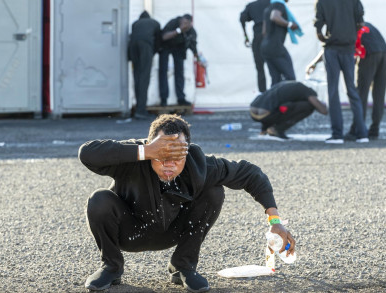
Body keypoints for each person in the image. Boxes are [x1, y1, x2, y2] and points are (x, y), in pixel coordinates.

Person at [79, 114, 295, 292]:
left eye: (177, 156)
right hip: (129, 231)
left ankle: (183, 266)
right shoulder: (135, 155)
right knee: (99, 199)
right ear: (150, 147)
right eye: (162, 155)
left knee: (214, 191)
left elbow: (251, 174)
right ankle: (111, 266)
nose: (169, 164)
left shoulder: (198, 164)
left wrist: (274, 219)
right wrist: (145, 152)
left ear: (187, 152)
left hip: (172, 231)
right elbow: (87, 153)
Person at [307, 22, 386, 141]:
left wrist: (314, 63)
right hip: (384, 51)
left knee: (360, 93)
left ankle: (356, 130)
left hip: (368, 52)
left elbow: (330, 47)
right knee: (379, 92)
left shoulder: (345, 26)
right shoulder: (365, 24)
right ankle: (374, 130)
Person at [313, 0, 369, 144]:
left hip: (332, 48)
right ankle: (362, 134)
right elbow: (361, 23)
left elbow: (318, 28)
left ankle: (337, 135)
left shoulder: (321, 2)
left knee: (333, 91)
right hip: (349, 48)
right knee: (352, 90)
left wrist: (325, 38)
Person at [250, 81, 328, 140]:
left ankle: (264, 130)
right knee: (308, 106)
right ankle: (276, 129)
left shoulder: (289, 84)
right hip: (267, 113)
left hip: (253, 111)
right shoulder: (306, 91)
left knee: (281, 106)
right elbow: (323, 111)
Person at [158, 14, 198, 107]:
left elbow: (193, 45)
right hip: (166, 46)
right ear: (181, 21)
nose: (185, 25)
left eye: (187, 24)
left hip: (179, 48)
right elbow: (164, 37)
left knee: (179, 72)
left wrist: (198, 58)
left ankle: (181, 98)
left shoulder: (191, 31)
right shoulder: (173, 22)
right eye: (183, 23)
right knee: (163, 71)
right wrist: (179, 30)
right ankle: (163, 99)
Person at [128, 11, 162, 120]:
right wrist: (153, 52)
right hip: (145, 46)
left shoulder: (135, 23)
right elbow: (158, 41)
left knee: (137, 77)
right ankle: (141, 111)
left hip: (133, 48)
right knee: (144, 78)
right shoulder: (155, 23)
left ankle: (139, 107)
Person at [260, 0, 301, 87]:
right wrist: (290, 25)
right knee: (290, 78)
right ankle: (287, 99)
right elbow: (275, 17)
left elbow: (264, 31)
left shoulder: (268, 8)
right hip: (276, 47)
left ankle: (274, 99)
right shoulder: (279, 5)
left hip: (265, 46)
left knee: (275, 79)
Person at [240, 0, 270, 93]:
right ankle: (276, 91)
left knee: (260, 69)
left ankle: (263, 93)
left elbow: (242, 18)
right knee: (275, 67)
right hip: (270, 38)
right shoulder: (272, 3)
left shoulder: (252, 6)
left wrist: (246, 36)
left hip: (258, 39)